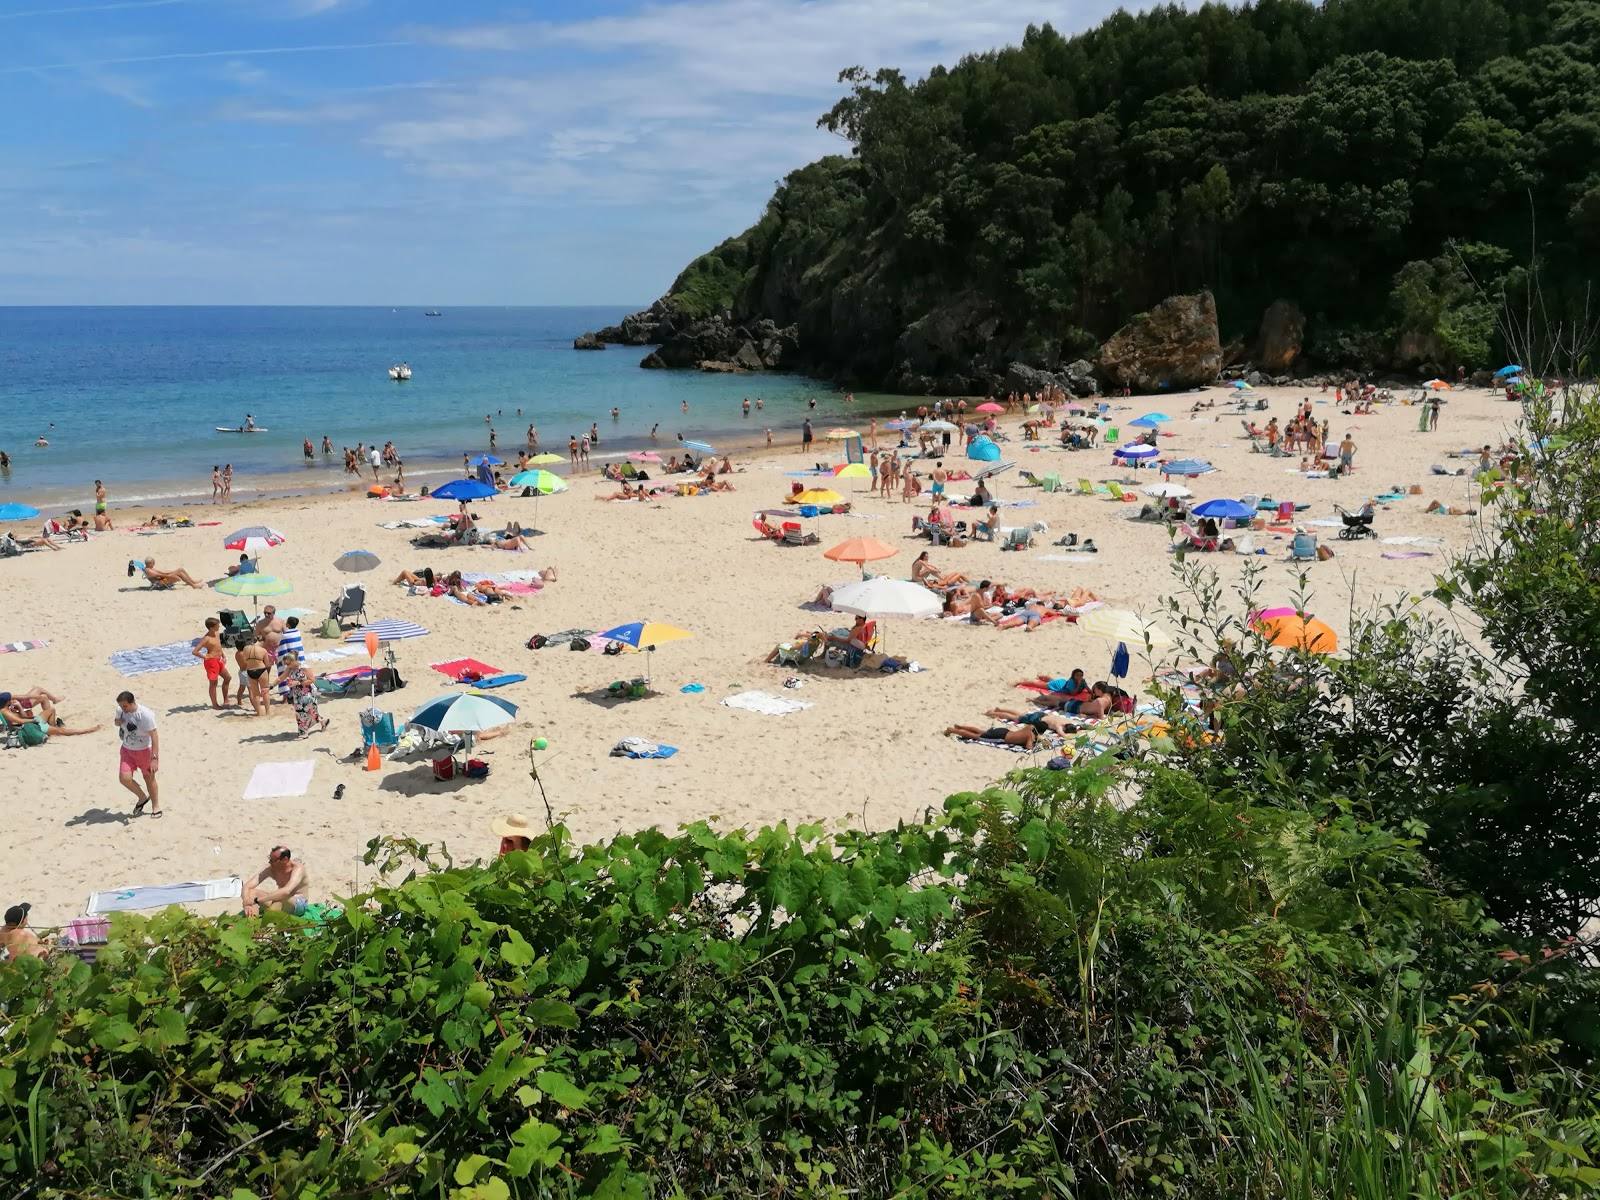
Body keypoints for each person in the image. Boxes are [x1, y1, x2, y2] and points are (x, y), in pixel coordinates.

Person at [114, 691, 160, 816]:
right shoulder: (121, 710)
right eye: (121, 706)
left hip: (145, 750)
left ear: (132, 702)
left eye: (125, 706)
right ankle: (142, 797)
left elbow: (154, 736)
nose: (123, 709)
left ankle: (156, 806)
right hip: (127, 750)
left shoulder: (145, 715)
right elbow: (116, 721)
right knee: (124, 779)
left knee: (149, 779)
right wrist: (118, 721)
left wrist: (154, 758)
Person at [243, 846, 311, 917]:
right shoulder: (272, 869)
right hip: (280, 902)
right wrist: (246, 903)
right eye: (270, 858)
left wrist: (257, 900)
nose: (270, 862)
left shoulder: (297, 868)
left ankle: (269, 922)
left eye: (273, 860)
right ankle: (252, 920)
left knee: (280, 897)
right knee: (251, 892)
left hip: (298, 905)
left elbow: (286, 891)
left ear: (284, 859)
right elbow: (247, 886)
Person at [3, 694, 98, 742]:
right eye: (9, 699)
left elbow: (23, 716)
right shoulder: (5, 712)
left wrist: (19, 707)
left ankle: (52, 730)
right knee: (63, 731)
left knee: (51, 710)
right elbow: (20, 721)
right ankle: (86, 730)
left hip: (32, 722)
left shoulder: (9, 707)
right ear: (6, 702)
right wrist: (34, 720)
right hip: (32, 726)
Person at [278, 653, 327, 739]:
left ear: (294, 661)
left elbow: (312, 679)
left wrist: (297, 682)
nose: (287, 665)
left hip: (308, 692)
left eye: (288, 663)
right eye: (286, 664)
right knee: (310, 711)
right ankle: (322, 721)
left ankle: (304, 733)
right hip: (297, 693)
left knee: (302, 712)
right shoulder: (289, 668)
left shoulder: (304, 667)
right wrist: (269, 687)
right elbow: (280, 678)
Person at [193, 617, 232, 710]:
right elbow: (195, 651)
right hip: (211, 661)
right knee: (213, 683)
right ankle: (215, 705)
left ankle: (226, 699)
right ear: (211, 627)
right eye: (217, 626)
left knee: (227, 678)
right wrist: (204, 657)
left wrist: (223, 655)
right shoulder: (206, 638)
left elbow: (218, 646)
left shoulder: (217, 634)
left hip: (219, 660)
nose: (219, 626)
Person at [235, 634, 272, 715]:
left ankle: (259, 712)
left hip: (250, 671)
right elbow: (267, 664)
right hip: (261, 670)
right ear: (262, 641)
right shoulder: (263, 650)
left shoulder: (245, 649)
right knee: (265, 691)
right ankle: (267, 711)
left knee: (255, 693)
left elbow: (245, 659)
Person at [944, 723, 1037, 750]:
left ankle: (961, 727)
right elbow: (1029, 747)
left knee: (982, 732)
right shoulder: (1031, 736)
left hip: (1004, 731)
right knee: (976, 736)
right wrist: (1032, 744)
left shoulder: (1030, 728)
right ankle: (953, 730)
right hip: (1001, 737)